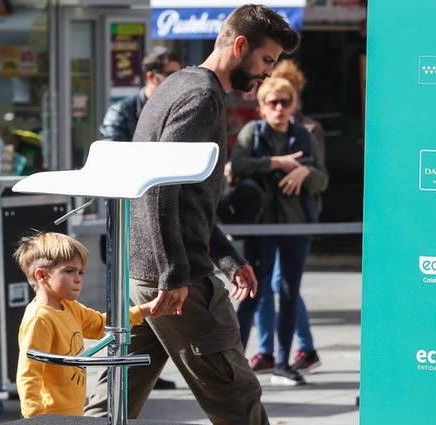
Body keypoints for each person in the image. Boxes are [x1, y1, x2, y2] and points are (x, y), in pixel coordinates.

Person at [85, 5, 300, 424]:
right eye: (266, 60)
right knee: (236, 395)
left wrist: (229, 258)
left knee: (111, 401)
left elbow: (189, 200)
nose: (267, 74)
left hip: (142, 276)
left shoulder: (178, 84)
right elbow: (159, 186)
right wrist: (174, 272)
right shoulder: (201, 96)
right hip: (170, 281)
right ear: (240, 46)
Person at [233, 77, 328, 386]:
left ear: (293, 106)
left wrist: (305, 171)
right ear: (261, 107)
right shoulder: (252, 133)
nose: (278, 108)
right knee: (251, 293)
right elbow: (238, 164)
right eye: (272, 102)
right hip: (258, 225)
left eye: (284, 102)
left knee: (288, 292)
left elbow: (323, 179)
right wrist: (277, 162)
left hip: (295, 225)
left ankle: (283, 364)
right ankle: (233, 365)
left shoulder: (304, 135)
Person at [97, 45, 183, 391]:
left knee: (146, 302)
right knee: (123, 296)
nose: (176, 85)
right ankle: (116, 369)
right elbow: (115, 158)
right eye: (171, 77)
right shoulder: (122, 112)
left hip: (158, 215)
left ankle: (145, 370)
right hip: (128, 216)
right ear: (152, 77)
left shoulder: (172, 110)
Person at [13, 232, 158, 418]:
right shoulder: (39, 319)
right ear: (42, 276)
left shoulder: (70, 307)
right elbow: (29, 375)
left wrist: (144, 310)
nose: (78, 278)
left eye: (80, 272)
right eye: (69, 271)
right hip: (51, 416)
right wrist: (36, 419)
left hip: (74, 411)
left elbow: (100, 325)